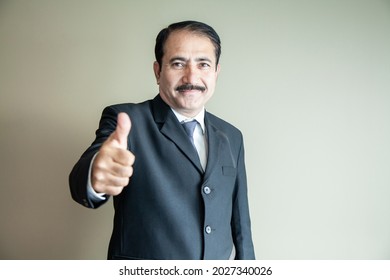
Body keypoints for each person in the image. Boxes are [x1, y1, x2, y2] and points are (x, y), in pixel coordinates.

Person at [69, 20, 255, 260]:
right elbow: (83, 179)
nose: (192, 76)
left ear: (216, 72)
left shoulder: (232, 136)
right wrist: (95, 173)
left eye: (203, 64)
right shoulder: (126, 120)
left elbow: (241, 224)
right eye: (178, 63)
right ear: (158, 71)